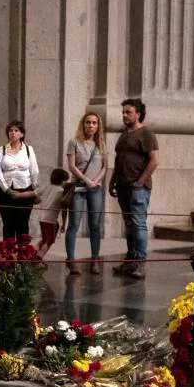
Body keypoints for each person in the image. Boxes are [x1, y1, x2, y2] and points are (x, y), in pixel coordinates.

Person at [109, 99, 159, 280]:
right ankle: (130, 259)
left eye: (128, 112)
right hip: (122, 186)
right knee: (129, 225)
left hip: (138, 187)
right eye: (123, 112)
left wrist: (141, 181)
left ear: (138, 113)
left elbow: (154, 160)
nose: (124, 115)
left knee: (138, 224)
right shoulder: (123, 134)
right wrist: (112, 180)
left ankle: (140, 262)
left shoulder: (146, 133)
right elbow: (119, 159)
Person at [65, 113, 107, 276]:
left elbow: (105, 167)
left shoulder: (101, 144)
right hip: (78, 187)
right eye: (88, 122)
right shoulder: (74, 142)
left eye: (94, 123)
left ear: (98, 126)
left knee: (95, 225)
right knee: (74, 224)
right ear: (83, 124)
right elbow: (72, 166)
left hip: (95, 188)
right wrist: (86, 180)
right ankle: (71, 260)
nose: (91, 125)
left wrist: (96, 180)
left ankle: (95, 260)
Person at [0, 120, 39, 240]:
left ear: (22, 134)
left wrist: (34, 190)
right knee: (8, 225)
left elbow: (34, 170)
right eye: (10, 130)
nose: (13, 133)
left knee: (23, 224)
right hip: (5, 192)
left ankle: (22, 254)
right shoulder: (2, 150)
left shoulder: (28, 150)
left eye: (16, 130)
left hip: (24, 191)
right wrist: (6, 189)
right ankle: (8, 254)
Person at [32, 168, 69, 259]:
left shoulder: (47, 187)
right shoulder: (61, 191)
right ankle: (39, 257)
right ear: (63, 181)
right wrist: (64, 223)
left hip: (42, 217)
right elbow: (64, 209)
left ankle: (33, 252)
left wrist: (37, 200)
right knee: (50, 241)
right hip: (51, 219)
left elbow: (35, 193)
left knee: (44, 239)